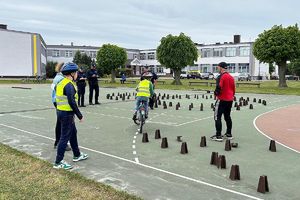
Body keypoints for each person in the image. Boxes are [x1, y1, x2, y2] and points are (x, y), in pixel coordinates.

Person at [53, 62, 88, 170]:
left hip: (61, 112)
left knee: (73, 133)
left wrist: (59, 109)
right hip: (67, 114)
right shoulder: (68, 85)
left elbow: (56, 99)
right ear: (72, 73)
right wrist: (80, 115)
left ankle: (77, 155)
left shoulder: (60, 83)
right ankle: (58, 162)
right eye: (76, 72)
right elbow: (72, 102)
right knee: (64, 137)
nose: (77, 74)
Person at [211, 62, 235, 142]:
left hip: (222, 100)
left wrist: (215, 93)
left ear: (221, 68)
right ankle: (229, 134)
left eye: (218, 68)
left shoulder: (221, 77)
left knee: (217, 117)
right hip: (230, 100)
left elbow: (219, 88)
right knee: (227, 116)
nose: (217, 69)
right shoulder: (231, 77)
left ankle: (218, 136)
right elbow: (233, 89)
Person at [51, 63, 71, 151]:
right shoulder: (61, 79)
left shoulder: (57, 77)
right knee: (63, 123)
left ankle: (57, 142)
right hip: (61, 102)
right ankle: (61, 143)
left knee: (60, 122)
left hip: (57, 101)